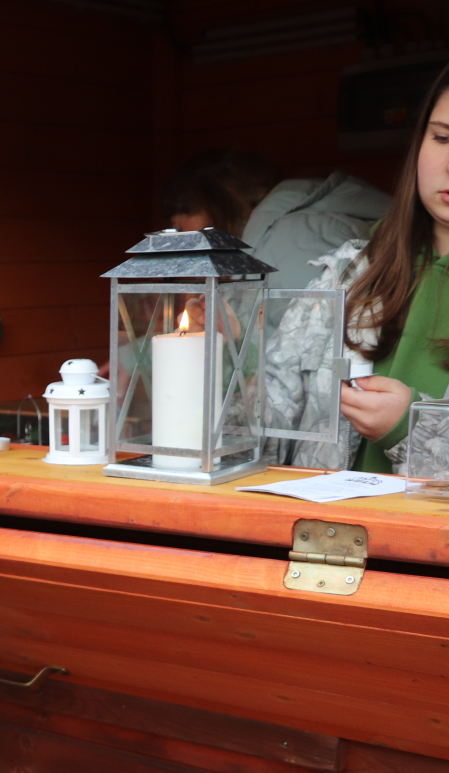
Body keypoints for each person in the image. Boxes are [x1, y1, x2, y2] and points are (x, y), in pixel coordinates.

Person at [266, 65, 449, 470]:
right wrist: (225, 349)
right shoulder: (350, 271)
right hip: (325, 512)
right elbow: (268, 422)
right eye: (443, 138)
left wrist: (411, 429)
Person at [164, 148, 389, 332]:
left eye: (180, 228)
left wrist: (229, 343)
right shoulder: (263, 247)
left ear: (218, 202)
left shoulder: (295, 241)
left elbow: (322, 349)